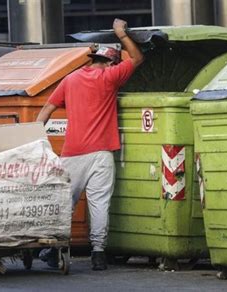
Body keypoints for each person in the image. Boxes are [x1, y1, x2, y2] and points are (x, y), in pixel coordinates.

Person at [36, 18, 144, 271]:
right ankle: (98, 254)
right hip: (101, 154)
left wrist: (31, 140)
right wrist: (121, 34)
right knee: (99, 203)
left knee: (64, 203)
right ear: (110, 62)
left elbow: (47, 109)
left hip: (72, 153)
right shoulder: (109, 77)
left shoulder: (70, 79)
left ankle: (54, 249)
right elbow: (137, 59)